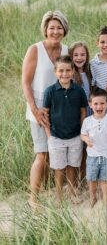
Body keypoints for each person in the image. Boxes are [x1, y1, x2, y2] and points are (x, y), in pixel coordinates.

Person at [22, 10, 69, 208]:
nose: (55, 31)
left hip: (60, 110)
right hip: (39, 109)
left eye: (59, 28)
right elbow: (25, 82)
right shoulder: (35, 50)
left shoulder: (66, 50)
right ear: (45, 29)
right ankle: (33, 197)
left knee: (55, 152)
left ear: (64, 29)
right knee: (41, 153)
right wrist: (34, 108)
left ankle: (54, 189)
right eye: (52, 28)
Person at [43, 55, 87, 203]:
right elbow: (45, 114)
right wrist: (49, 135)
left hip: (75, 135)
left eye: (68, 70)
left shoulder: (79, 90)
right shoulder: (50, 91)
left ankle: (73, 192)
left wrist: (82, 132)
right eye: (61, 70)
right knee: (58, 167)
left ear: (73, 71)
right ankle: (59, 196)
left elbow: (83, 112)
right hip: (56, 136)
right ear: (55, 72)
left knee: (72, 165)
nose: (65, 74)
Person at [81, 88, 107, 207]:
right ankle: (93, 197)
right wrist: (86, 139)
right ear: (90, 105)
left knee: (105, 179)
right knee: (92, 179)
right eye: (96, 103)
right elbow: (83, 134)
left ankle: (106, 198)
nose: (99, 106)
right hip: (93, 155)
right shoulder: (87, 121)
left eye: (102, 103)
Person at [69, 41, 92, 184]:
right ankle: (75, 181)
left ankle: (83, 178)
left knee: (85, 149)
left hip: (89, 115)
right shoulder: (71, 74)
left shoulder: (88, 73)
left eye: (82, 54)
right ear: (70, 56)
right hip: (77, 116)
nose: (79, 58)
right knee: (75, 149)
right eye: (75, 55)